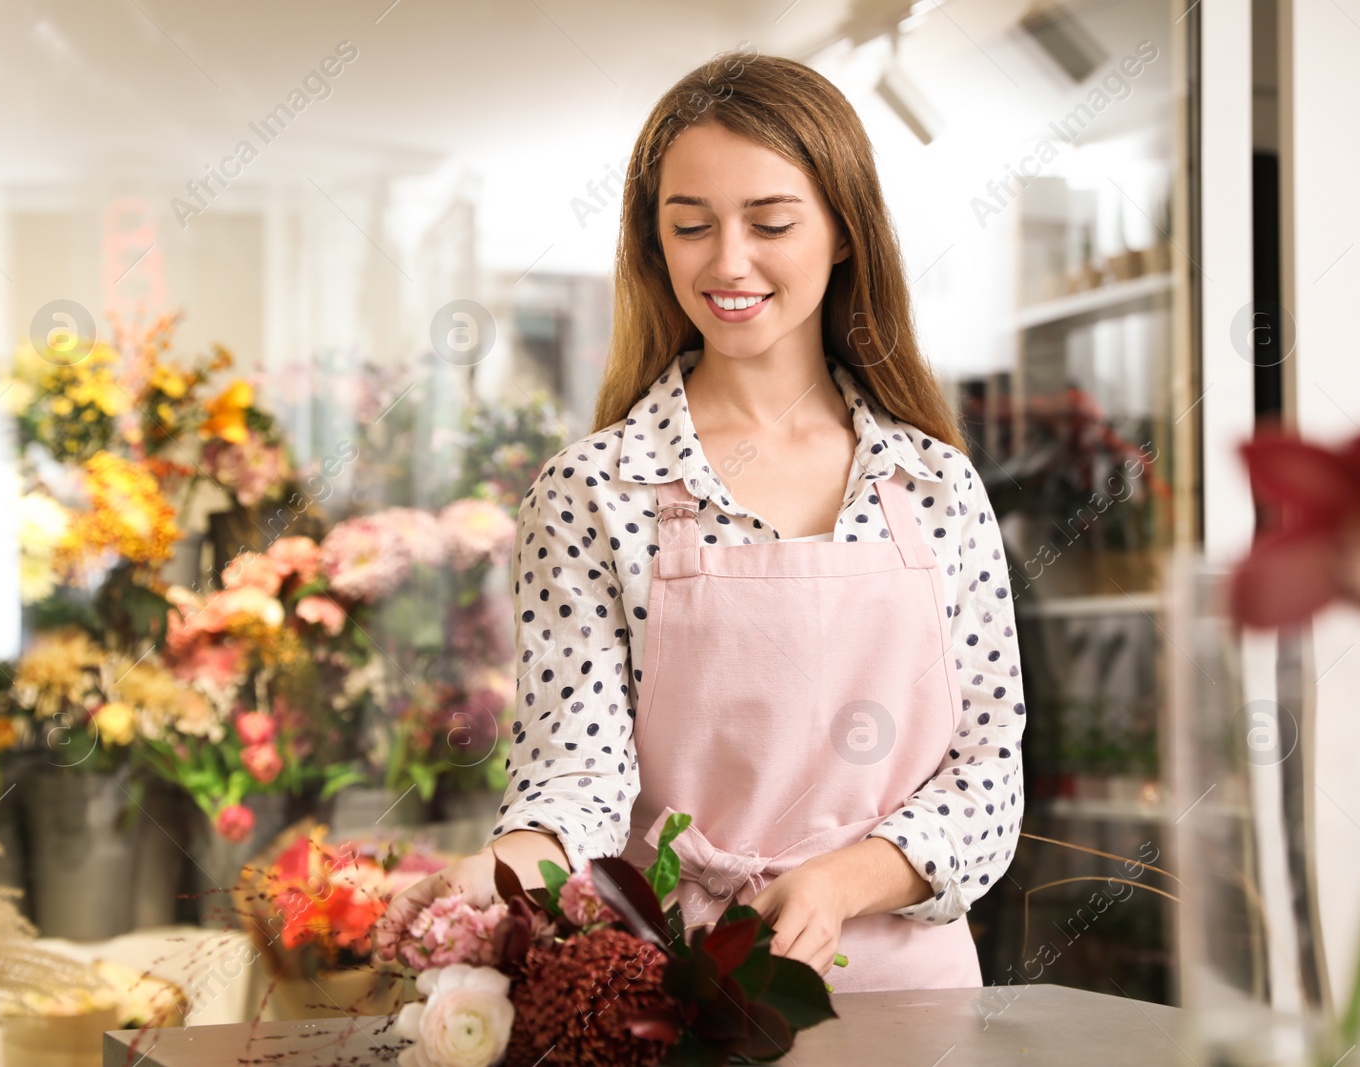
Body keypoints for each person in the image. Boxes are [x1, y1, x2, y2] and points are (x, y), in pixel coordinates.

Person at [379, 49, 1025, 993]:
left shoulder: (935, 485)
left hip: (912, 999)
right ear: (655, 243)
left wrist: (841, 880)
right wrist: (501, 871)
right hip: (671, 995)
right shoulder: (593, 492)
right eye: (691, 226)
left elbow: (987, 778)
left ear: (845, 232)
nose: (728, 263)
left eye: (770, 222)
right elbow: (577, 774)